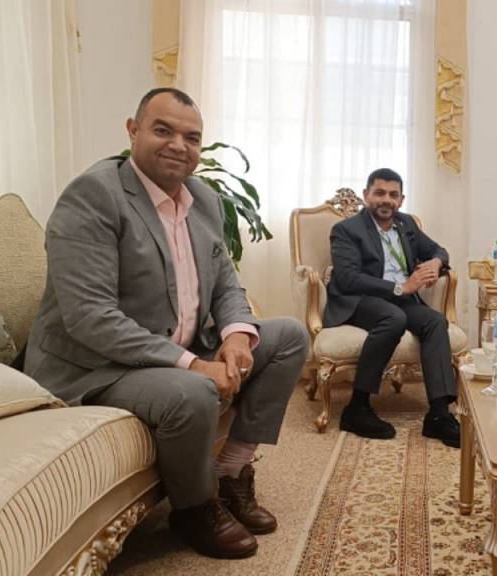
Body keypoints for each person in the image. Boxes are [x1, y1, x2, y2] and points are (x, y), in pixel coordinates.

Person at [24, 88, 309, 559]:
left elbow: (225, 284)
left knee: (289, 337)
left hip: (176, 345)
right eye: (163, 130)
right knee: (193, 391)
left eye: (191, 137)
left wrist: (238, 335)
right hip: (97, 365)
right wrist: (193, 364)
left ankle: (232, 472)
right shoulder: (93, 196)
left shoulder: (204, 199)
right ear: (132, 131)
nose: (179, 145)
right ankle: (194, 508)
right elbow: (90, 317)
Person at [324, 168, 460, 448]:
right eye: (379, 193)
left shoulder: (406, 224)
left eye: (393, 195)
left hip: (401, 299)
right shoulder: (346, 230)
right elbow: (348, 279)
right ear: (366, 195)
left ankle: (438, 415)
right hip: (359, 299)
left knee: (435, 321)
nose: (386, 200)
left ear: (401, 199)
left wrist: (435, 263)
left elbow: (439, 251)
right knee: (393, 318)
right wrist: (400, 287)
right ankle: (357, 407)